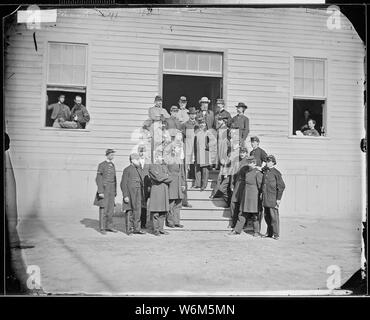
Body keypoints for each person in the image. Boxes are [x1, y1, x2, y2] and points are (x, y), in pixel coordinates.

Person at [229, 156, 263, 236]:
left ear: (254, 163)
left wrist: (260, 196)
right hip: (246, 195)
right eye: (248, 162)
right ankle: (237, 230)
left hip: (254, 196)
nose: (249, 164)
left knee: (255, 214)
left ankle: (256, 231)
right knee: (242, 213)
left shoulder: (258, 173)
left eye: (250, 163)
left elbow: (260, 186)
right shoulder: (247, 172)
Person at [93, 149, 119, 235]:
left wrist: (115, 191)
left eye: (113, 155)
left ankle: (109, 226)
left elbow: (115, 179)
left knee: (111, 209)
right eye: (111, 155)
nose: (112, 156)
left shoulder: (113, 165)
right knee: (103, 208)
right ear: (107, 155)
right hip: (104, 189)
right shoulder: (102, 165)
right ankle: (102, 227)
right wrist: (100, 191)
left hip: (111, 189)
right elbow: (98, 178)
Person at [121, 153, 147, 235]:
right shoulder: (127, 169)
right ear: (132, 160)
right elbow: (123, 183)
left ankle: (137, 229)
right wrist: (125, 195)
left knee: (138, 211)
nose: (139, 161)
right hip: (130, 193)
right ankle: (129, 229)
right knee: (130, 211)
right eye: (137, 159)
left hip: (138, 193)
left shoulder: (138, 169)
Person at [262, 155, 286, 240]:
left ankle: (276, 234)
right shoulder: (265, 171)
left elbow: (281, 186)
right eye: (266, 161)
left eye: (269, 161)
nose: (267, 163)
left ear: (273, 162)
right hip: (265, 197)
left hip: (273, 198)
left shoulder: (276, 173)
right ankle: (269, 233)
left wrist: (278, 199)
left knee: (274, 217)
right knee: (267, 216)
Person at [148, 152, 173, 236]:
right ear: (155, 158)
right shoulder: (152, 166)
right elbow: (157, 178)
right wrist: (165, 176)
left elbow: (171, 178)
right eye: (159, 157)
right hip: (156, 191)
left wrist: (163, 176)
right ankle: (156, 230)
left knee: (163, 212)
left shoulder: (164, 166)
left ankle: (161, 229)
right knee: (156, 212)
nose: (161, 158)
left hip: (164, 191)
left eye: (161, 157)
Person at [210, 115, 232, 205]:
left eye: (220, 120)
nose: (218, 121)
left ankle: (217, 194)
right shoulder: (220, 131)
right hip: (222, 158)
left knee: (222, 177)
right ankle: (217, 193)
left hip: (227, 159)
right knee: (221, 177)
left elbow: (230, 147)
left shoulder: (227, 131)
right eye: (218, 120)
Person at [181, 106, 198, 204]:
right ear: (189, 115)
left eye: (194, 114)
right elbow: (182, 137)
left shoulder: (198, 124)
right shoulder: (185, 125)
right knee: (187, 164)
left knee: (196, 163)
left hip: (196, 147)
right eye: (191, 114)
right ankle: (186, 179)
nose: (193, 115)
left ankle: (195, 181)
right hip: (188, 146)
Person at [166, 148, 186, 228]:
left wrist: (183, 184)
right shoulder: (167, 160)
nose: (174, 151)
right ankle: (170, 221)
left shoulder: (179, 160)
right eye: (172, 150)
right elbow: (165, 171)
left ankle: (177, 221)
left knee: (178, 203)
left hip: (179, 183)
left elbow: (182, 173)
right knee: (171, 203)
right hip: (171, 183)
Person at [229, 146, 249, 228]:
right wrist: (232, 184)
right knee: (233, 203)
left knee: (243, 204)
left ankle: (243, 223)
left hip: (244, 185)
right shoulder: (236, 161)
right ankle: (234, 222)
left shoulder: (248, 162)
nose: (242, 154)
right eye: (241, 152)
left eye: (243, 152)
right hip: (237, 184)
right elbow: (233, 174)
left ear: (246, 153)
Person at [193, 118, 211, 190]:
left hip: (205, 152)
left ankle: (204, 185)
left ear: (206, 125)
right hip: (198, 153)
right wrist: (194, 155)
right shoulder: (197, 134)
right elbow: (195, 145)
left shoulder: (208, 133)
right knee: (197, 169)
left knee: (205, 170)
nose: (202, 125)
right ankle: (197, 184)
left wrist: (207, 146)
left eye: (204, 124)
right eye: (201, 124)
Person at [138, 145, 151, 229]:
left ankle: (143, 223)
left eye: (143, 151)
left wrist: (149, 186)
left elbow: (150, 174)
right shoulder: (136, 162)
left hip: (146, 186)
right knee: (138, 204)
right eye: (140, 151)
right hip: (138, 186)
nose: (142, 153)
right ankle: (136, 222)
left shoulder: (148, 162)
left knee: (144, 205)